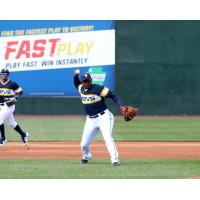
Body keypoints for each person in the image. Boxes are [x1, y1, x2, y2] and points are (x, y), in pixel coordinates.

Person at [73, 69, 124, 166]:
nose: (86, 82)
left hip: (103, 117)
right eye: (84, 81)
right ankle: (86, 157)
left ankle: (115, 159)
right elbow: (76, 83)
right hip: (91, 119)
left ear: (91, 80)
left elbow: (113, 95)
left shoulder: (98, 89)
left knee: (108, 137)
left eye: (88, 80)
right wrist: (75, 76)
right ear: (82, 82)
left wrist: (120, 105)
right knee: (83, 144)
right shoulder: (81, 88)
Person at [0, 68, 29, 146]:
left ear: (8, 75)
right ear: (1, 74)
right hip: (1, 106)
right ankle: (23, 134)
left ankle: (3, 138)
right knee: (12, 123)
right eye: (3, 74)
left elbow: (20, 91)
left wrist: (15, 97)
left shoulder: (12, 84)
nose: (4, 75)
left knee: (0, 118)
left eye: (6, 74)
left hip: (9, 105)